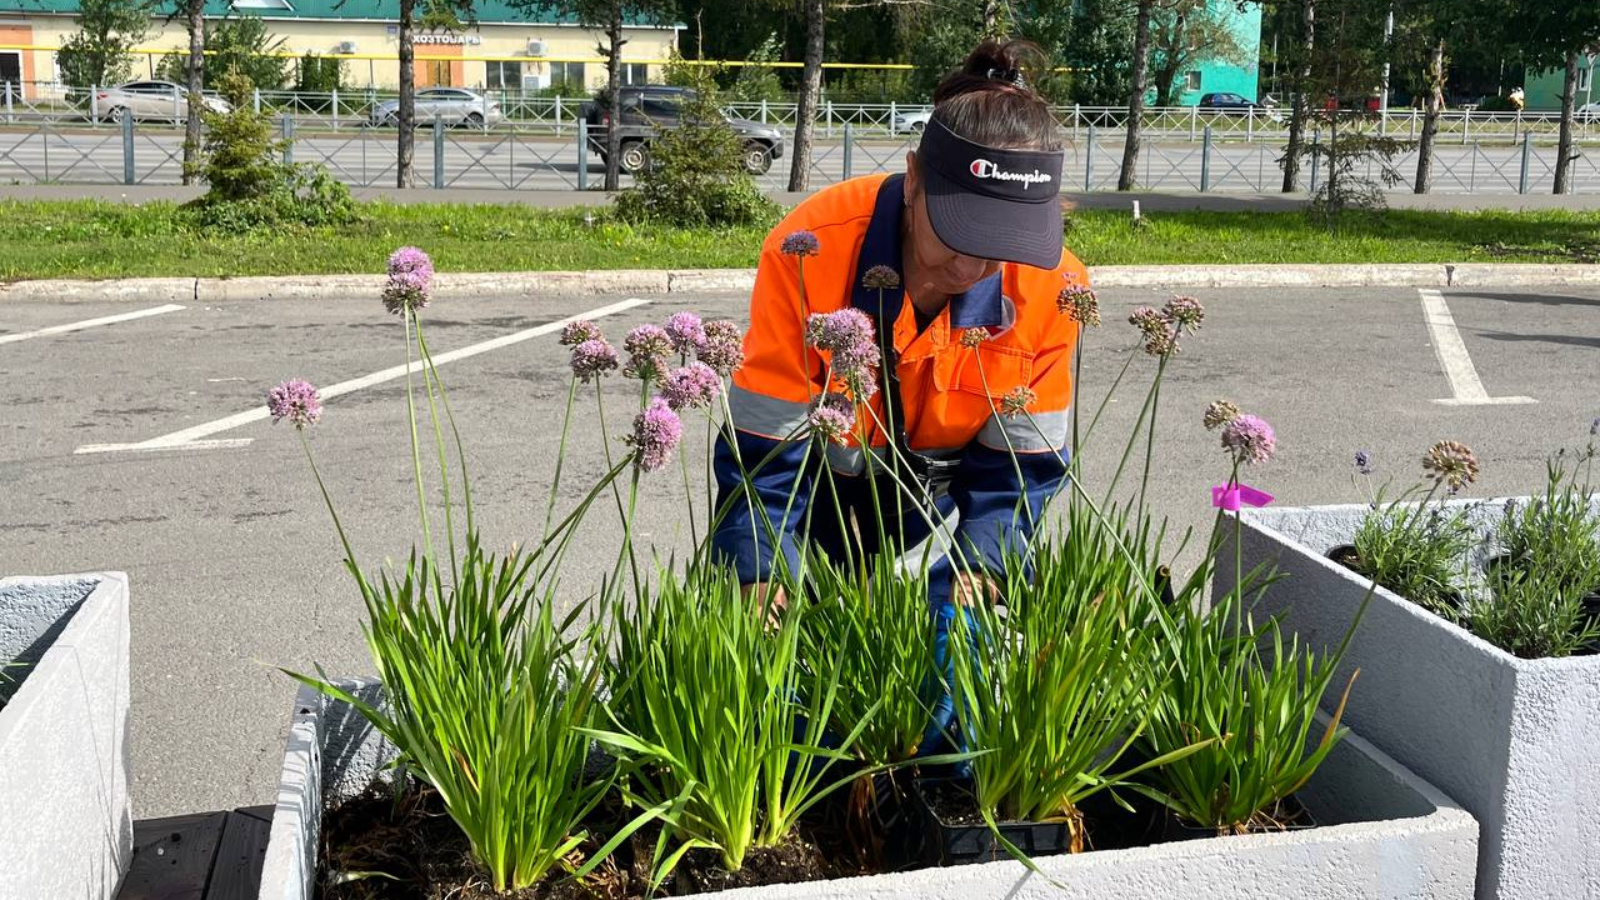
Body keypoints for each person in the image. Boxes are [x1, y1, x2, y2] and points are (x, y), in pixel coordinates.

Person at [710, 39, 1088, 614]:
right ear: (913, 179)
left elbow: (1013, 483)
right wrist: (759, 574)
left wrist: (977, 575)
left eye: (996, 248)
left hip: (936, 520)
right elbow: (763, 456)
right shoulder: (813, 249)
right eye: (957, 232)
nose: (969, 268)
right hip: (812, 502)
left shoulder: (1052, 288)